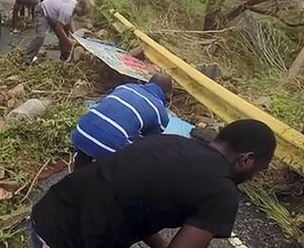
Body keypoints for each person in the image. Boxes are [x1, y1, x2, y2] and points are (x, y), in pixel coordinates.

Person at [30, 119, 276, 248]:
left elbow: (139, 199)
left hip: (49, 211)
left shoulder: (169, 142)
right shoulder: (223, 192)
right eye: (258, 169)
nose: (254, 176)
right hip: (73, 241)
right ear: (247, 159)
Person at [71, 73, 173, 168]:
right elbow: (148, 144)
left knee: (85, 157)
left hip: (81, 132)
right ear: (168, 95)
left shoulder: (125, 87)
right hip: (109, 148)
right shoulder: (160, 113)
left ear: (148, 82)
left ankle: (76, 177)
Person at [23, 0, 88, 63]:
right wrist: (68, 42)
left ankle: (63, 59)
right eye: (82, 13)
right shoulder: (67, 11)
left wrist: (73, 35)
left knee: (65, 35)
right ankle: (28, 57)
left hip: (53, 14)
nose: (81, 16)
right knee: (40, 36)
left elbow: (68, 23)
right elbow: (59, 28)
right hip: (42, 11)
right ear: (80, 8)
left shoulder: (74, 4)